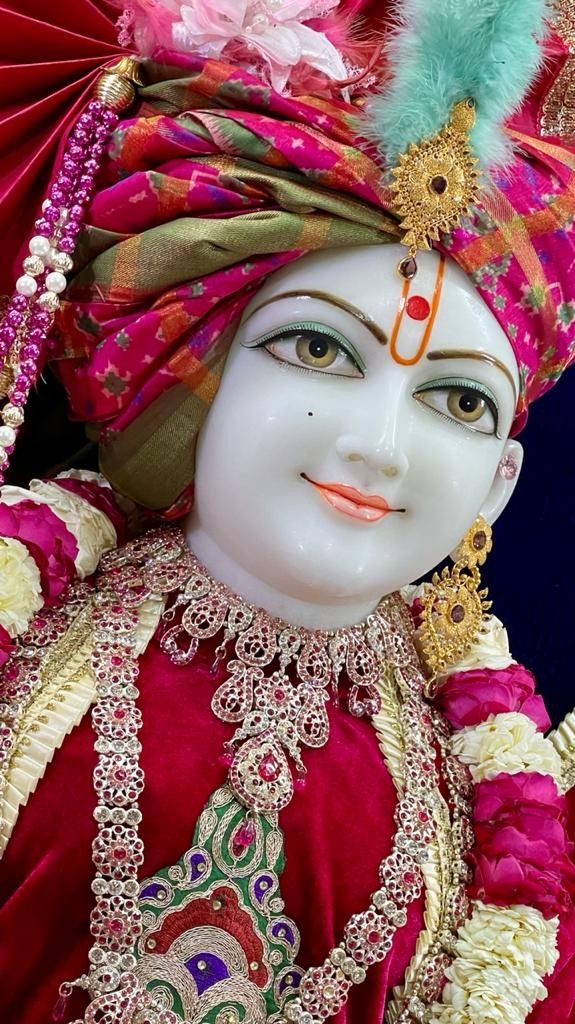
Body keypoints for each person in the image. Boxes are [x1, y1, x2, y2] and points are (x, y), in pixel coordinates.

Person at [0, 2, 574, 1023]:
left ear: (499, 483)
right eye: (317, 351)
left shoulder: (493, 805)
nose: (377, 445)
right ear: (192, 364)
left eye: (455, 400)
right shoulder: (28, 632)